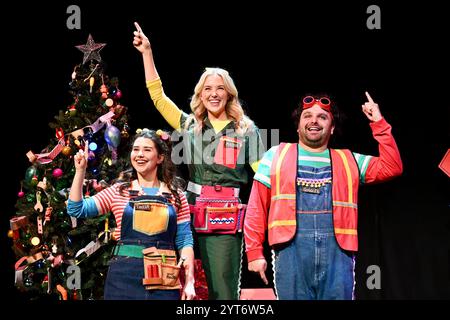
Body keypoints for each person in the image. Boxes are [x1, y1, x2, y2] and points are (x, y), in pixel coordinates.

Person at [133, 22, 265, 300]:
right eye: (208, 89)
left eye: (220, 88)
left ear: (229, 93)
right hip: (186, 214)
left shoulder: (247, 129)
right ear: (200, 95)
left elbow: (264, 175)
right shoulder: (189, 124)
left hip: (225, 220)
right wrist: (147, 53)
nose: (214, 93)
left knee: (222, 290)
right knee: (177, 284)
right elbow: (158, 97)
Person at [244, 92, 403, 299]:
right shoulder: (275, 156)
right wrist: (254, 252)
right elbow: (256, 207)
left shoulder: (349, 160)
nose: (314, 121)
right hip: (291, 253)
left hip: (338, 256)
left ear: (332, 127)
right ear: (298, 125)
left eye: (322, 117)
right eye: (307, 115)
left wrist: (379, 123)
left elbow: (392, 166)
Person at [67, 129, 196, 300]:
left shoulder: (176, 195)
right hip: (123, 277)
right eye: (136, 149)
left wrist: (189, 281)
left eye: (147, 150)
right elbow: (76, 209)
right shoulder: (118, 191)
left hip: (165, 277)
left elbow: (184, 241)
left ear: (160, 157)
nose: (139, 154)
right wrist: (80, 171)